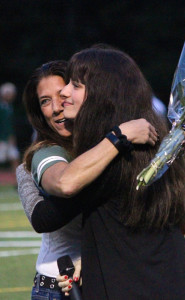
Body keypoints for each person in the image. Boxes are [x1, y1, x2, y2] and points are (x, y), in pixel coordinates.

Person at [57, 45, 185, 299]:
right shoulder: (143, 149)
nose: (64, 90)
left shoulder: (118, 152)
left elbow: (65, 184)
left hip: (135, 285)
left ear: (103, 94)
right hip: (173, 282)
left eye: (76, 85)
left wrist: (119, 136)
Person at [17, 60, 158, 300]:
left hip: (110, 279)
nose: (56, 108)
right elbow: (46, 214)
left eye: (62, 95)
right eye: (45, 101)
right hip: (60, 288)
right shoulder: (40, 156)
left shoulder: (105, 144)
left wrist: (181, 138)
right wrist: (119, 139)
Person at [0, 82, 20, 175]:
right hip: (2, 138)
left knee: (15, 157)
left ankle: (18, 181)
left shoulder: (9, 107)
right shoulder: (2, 108)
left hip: (8, 138)